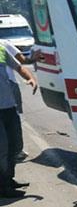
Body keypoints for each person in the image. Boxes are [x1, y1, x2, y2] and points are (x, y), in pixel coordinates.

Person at [0, 43, 37, 198]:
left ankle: (9, 179)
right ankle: (3, 187)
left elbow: (19, 67)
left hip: (8, 106)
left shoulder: (1, 48)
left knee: (16, 145)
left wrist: (31, 78)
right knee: (2, 149)